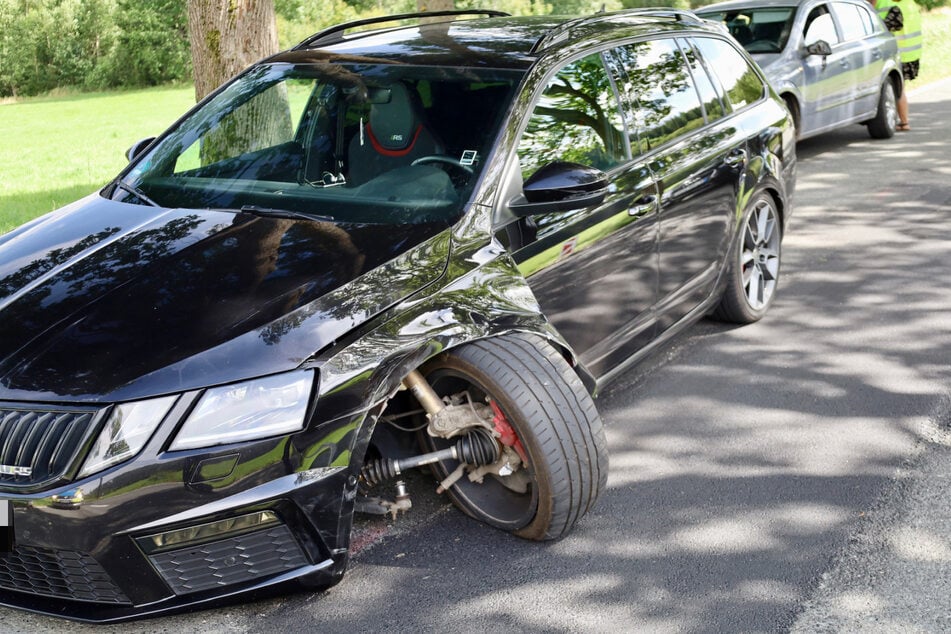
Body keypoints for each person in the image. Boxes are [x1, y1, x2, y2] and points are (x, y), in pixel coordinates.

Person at [876, 0, 923, 131]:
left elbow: (883, 29)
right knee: (900, 87)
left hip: (899, 54)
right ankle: (902, 120)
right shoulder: (910, 3)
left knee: (899, 89)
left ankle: (904, 122)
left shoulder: (890, 6)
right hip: (911, 53)